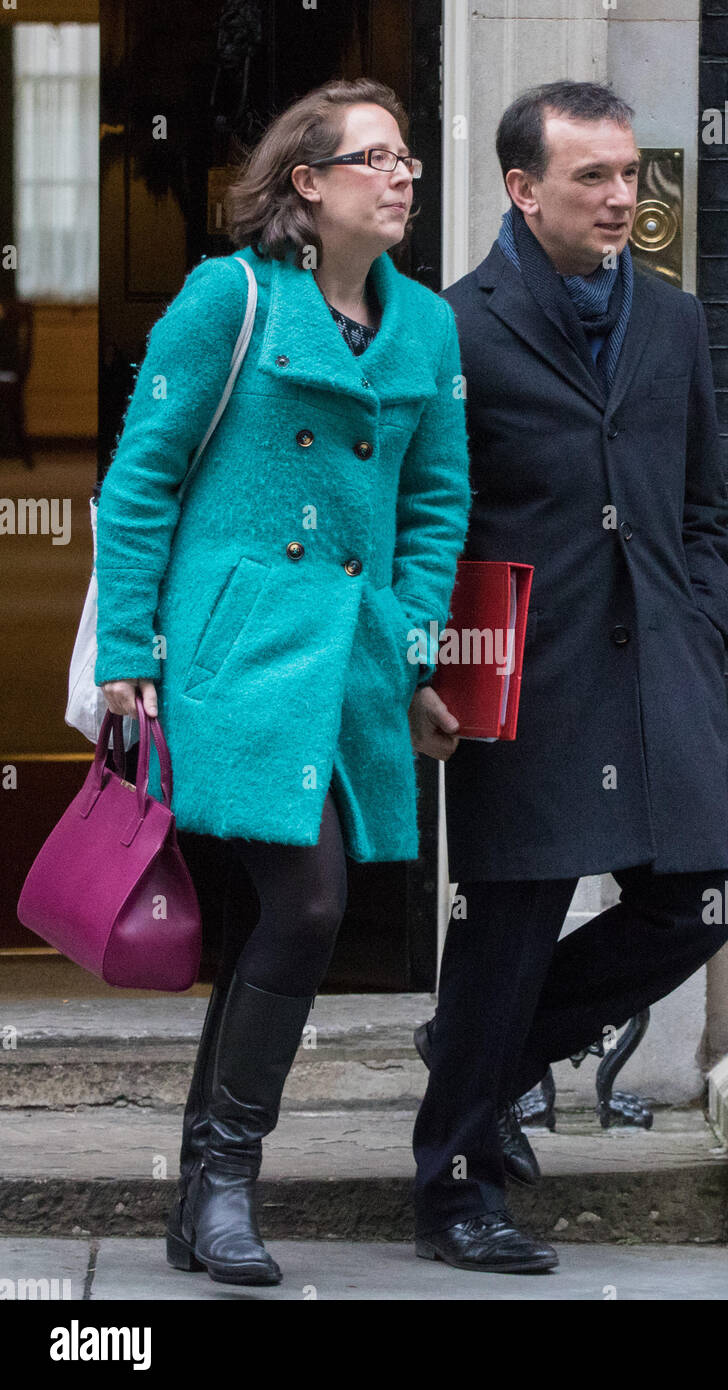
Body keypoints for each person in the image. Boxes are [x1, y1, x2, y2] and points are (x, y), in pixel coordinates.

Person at [94, 77, 471, 1287]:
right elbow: (143, 478)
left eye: (408, 157)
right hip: (234, 650)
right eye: (375, 158)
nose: (402, 175)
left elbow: (433, 504)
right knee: (304, 903)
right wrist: (126, 660)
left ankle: (206, 1191)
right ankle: (221, 1183)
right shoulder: (231, 297)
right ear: (306, 186)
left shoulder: (424, 330)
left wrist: (412, 648)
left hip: (351, 655)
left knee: (292, 909)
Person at [408, 80, 728, 1274]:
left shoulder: (675, 320)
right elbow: (423, 521)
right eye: (592, 177)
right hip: (526, 676)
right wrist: (422, 668)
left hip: (660, 667)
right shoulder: (451, 327)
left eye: (629, 173)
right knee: (507, 929)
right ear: (520, 188)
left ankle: (470, 1050)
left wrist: (708, 616)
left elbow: (704, 502)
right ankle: (456, 1191)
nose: (622, 198)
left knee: (697, 899)